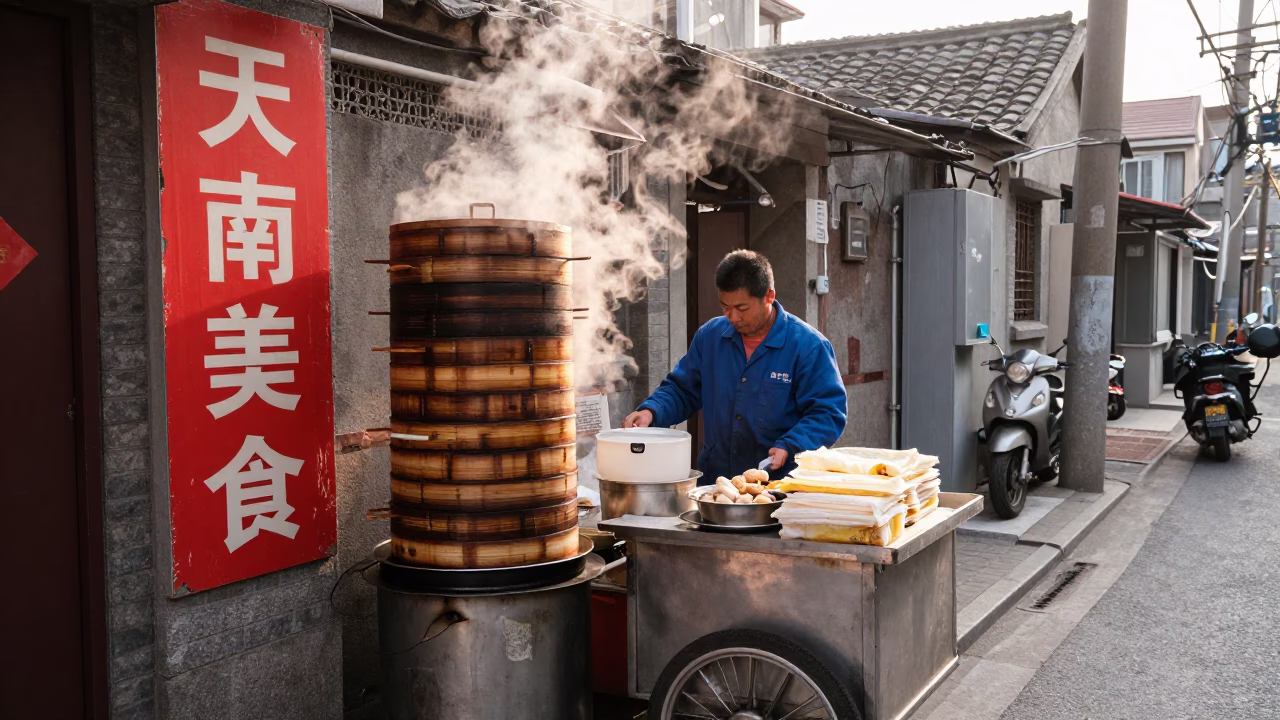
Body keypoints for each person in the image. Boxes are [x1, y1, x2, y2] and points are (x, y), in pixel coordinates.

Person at [624, 250, 847, 483]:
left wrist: (792, 445)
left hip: (781, 487)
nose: (732, 317)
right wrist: (652, 410)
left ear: (769, 296)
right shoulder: (711, 337)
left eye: (742, 308)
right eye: (725, 306)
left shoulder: (808, 346)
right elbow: (682, 389)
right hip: (716, 484)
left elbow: (828, 413)